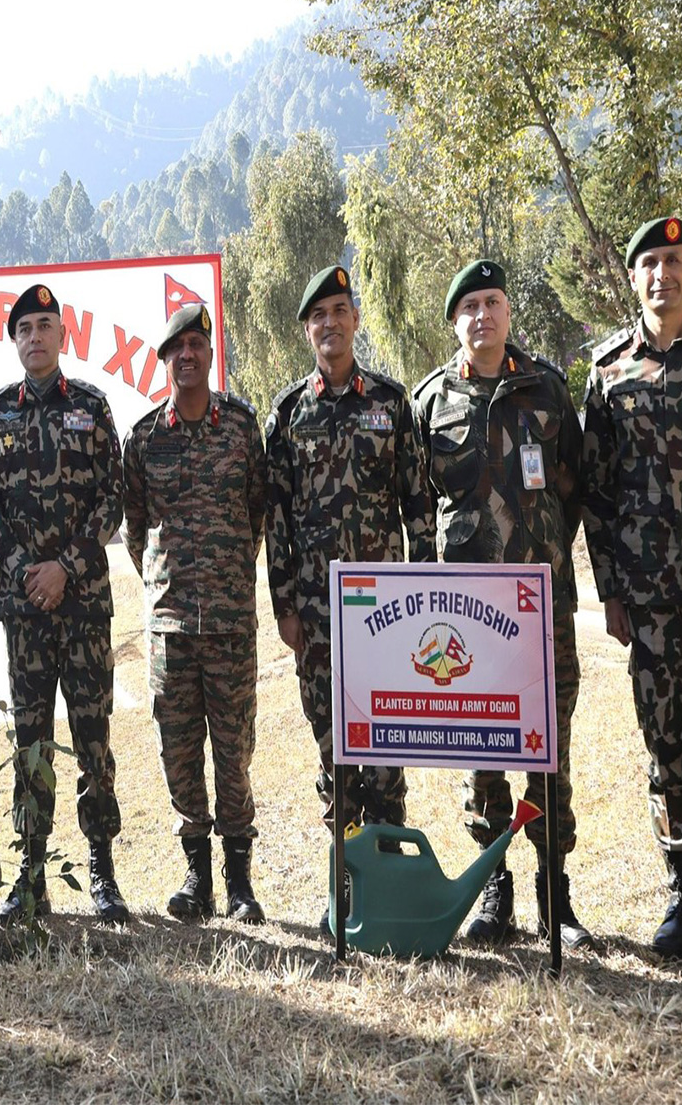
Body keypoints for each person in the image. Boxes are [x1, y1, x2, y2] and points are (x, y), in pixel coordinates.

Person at [413, 259, 592, 948]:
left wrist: (543, 554)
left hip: (541, 609)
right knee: (481, 747)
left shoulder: (544, 387)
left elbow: (573, 485)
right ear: (454, 321)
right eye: (469, 307)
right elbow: (416, 505)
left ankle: (556, 896)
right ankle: (495, 890)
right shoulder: (431, 403)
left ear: (507, 312)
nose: (482, 316)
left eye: (493, 302)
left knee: (549, 748)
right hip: (464, 620)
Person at [264, 265, 434, 928]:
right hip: (315, 616)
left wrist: (424, 589)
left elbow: (419, 505)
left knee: (386, 752)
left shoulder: (391, 404)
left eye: (340, 310)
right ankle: (348, 889)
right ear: (307, 330)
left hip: (388, 617)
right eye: (317, 316)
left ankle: (392, 887)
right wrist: (284, 606)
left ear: (355, 319)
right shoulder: (289, 414)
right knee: (333, 757)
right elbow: (275, 517)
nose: (329, 323)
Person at [0, 283, 129, 925]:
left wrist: (64, 569)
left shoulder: (92, 407)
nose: (35, 337)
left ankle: (103, 872)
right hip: (27, 614)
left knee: (94, 740)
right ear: (14, 343)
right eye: (24, 329)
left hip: (85, 607)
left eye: (45, 326)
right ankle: (31, 873)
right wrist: (28, 574)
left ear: (62, 337)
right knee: (31, 740)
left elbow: (112, 497)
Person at [584, 216, 682, 958]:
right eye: (650, 264)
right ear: (634, 278)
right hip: (653, 603)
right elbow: (595, 495)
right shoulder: (607, 372)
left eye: (674, 260)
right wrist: (613, 594)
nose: (662, 274)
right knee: (666, 754)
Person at [122, 303, 267, 923]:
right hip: (171, 629)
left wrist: (228, 571)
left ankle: (239, 884)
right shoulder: (144, 438)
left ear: (211, 354)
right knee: (179, 753)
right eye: (176, 346)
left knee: (234, 753)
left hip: (231, 622)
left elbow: (258, 513)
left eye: (197, 344)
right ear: (164, 360)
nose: (187, 354)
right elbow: (134, 531)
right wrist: (166, 587)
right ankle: (196, 877)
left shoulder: (241, 427)